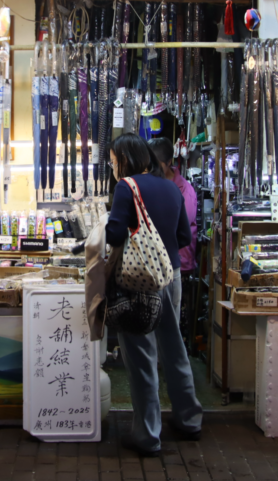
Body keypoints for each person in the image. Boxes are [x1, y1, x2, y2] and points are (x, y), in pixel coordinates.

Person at [106, 134, 203, 456]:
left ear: (124, 159)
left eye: (113, 160)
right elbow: (184, 236)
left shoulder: (127, 187)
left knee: (141, 356)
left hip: (137, 280)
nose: (112, 166)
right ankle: (189, 420)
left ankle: (148, 435)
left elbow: (114, 234)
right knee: (174, 349)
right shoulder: (171, 188)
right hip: (170, 276)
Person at [148, 138, 198, 272]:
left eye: (156, 164)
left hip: (178, 263)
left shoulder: (185, 190)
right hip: (158, 262)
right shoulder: (154, 183)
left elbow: (181, 228)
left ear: (169, 162)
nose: (151, 169)